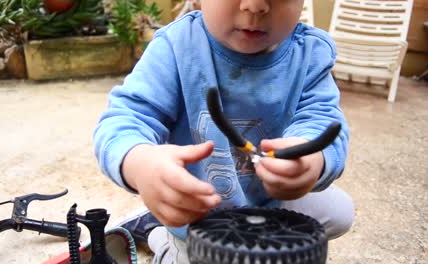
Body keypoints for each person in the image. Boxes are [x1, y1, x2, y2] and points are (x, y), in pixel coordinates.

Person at [94, 0, 354, 263]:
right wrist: (140, 164)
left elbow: (324, 121)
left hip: (270, 201)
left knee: (341, 212)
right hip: (198, 211)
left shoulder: (310, 53)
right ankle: (162, 238)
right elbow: (125, 119)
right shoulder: (176, 47)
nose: (255, 6)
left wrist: (312, 159)